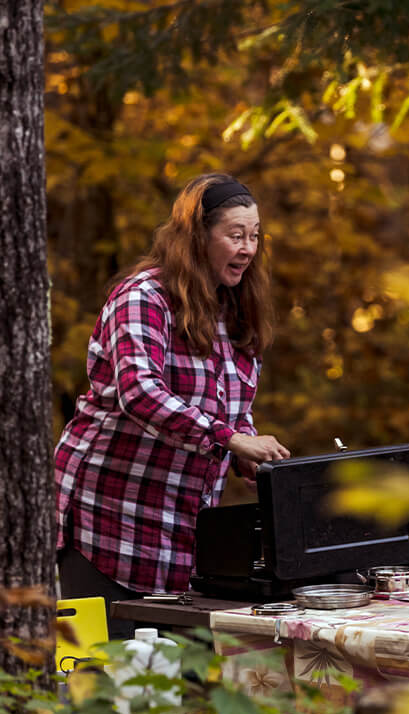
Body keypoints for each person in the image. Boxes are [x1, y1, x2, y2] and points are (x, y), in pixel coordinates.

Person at [54, 173, 290, 635]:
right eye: (235, 235)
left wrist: (247, 458)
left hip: (183, 536)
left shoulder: (238, 313)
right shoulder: (144, 297)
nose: (248, 248)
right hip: (107, 523)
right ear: (198, 237)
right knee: (101, 683)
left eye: (255, 236)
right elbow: (139, 392)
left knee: (176, 690)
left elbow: (235, 411)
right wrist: (230, 439)